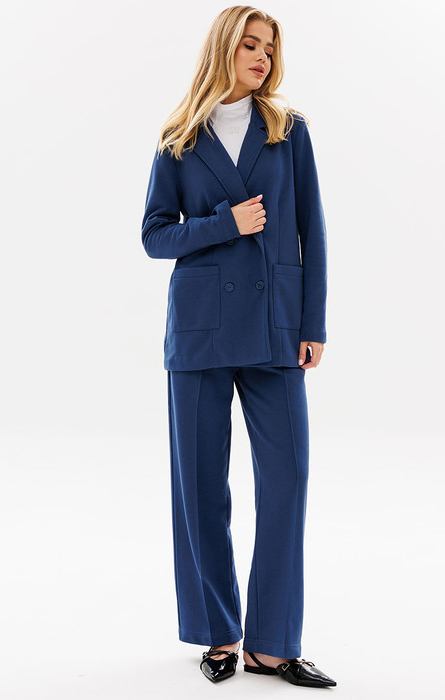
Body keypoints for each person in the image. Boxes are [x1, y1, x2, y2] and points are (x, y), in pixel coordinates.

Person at [140, 5, 336, 689]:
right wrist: (224, 223)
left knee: (288, 479)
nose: (261, 57)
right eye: (250, 44)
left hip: (277, 324)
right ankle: (219, 634)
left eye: (269, 48)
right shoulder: (179, 136)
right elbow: (155, 235)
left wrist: (313, 324)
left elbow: (311, 228)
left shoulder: (288, 130)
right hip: (200, 328)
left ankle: (273, 644)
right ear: (225, 47)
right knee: (200, 487)